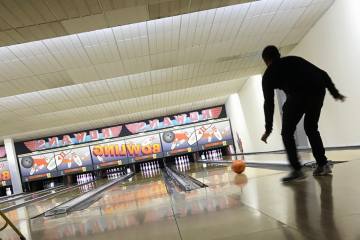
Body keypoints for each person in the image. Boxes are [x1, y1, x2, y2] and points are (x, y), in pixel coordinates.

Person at [260, 45, 345, 182]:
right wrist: (335, 93)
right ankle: (323, 164)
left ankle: (297, 170)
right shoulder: (295, 59)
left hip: (298, 96)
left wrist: (268, 129)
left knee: (287, 133)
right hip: (317, 92)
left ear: (266, 61)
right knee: (311, 127)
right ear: (279, 54)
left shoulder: (268, 75)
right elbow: (323, 73)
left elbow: (269, 103)